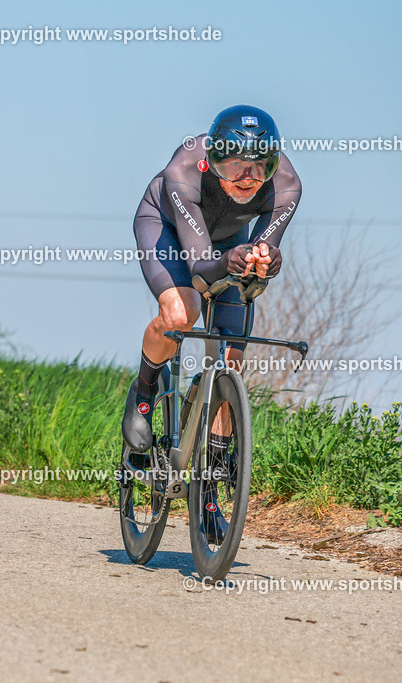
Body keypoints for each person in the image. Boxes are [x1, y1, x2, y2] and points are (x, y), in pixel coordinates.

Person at [122, 105, 302, 537]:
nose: (248, 177)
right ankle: (145, 390)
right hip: (169, 231)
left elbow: (261, 249)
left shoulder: (288, 186)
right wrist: (232, 261)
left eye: (259, 167)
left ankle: (211, 484)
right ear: (213, 160)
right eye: (237, 165)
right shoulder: (184, 170)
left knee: (231, 360)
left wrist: (266, 260)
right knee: (182, 312)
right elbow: (202, 268)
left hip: (227, 243)